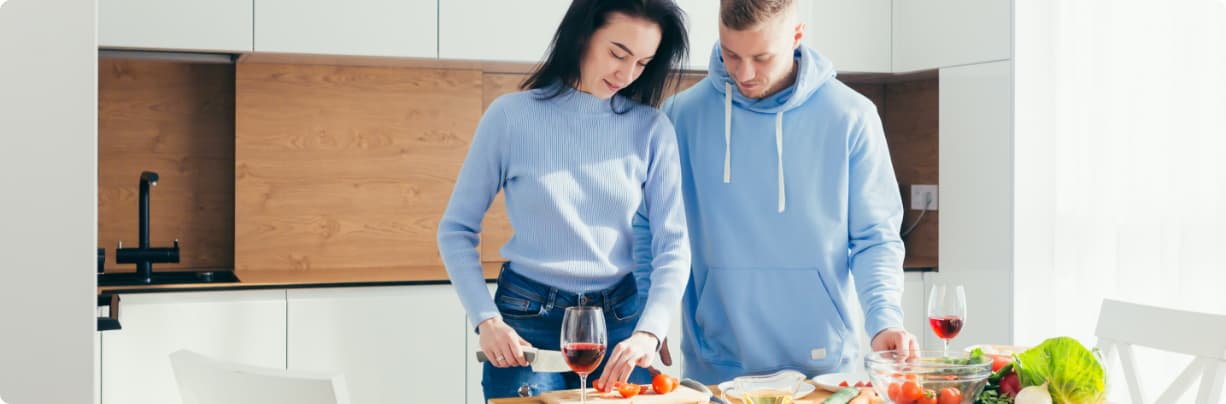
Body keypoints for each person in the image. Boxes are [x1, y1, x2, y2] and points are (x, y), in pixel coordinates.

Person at [633, 0, 917, 384]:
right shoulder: (681, 116)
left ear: (797, 35)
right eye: (730, 54)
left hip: (823, 372)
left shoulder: (852, 116)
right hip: (716, 371)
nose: (744, 74)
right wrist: (650, 318)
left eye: (761, 57)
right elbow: (650, 228)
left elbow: (875, 238)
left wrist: (884, 321)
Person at [436, 0, 691, 399]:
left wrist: (649, 331)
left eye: (642, 63)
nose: (626, 74)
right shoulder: (511, 117)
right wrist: (486, 320)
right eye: (617, 53)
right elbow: (455, 230)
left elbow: (673, 246)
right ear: (583, 35)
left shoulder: (653, 130)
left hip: (620, 326)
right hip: (529, 325)